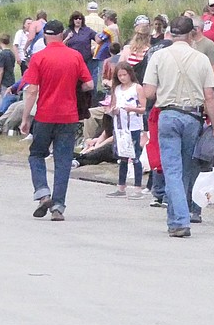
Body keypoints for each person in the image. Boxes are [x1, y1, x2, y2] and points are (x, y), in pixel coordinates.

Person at [142, 15, 214, 238]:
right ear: (192, 34)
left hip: (168, 113)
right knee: (186, 170)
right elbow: (210, 96)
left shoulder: (159, 56)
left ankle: (179, 219)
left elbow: (149, 92)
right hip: (193, 116)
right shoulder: (201, 59)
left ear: (170, 34)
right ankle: (176, 219)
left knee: (172, 170)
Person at [20, 20, 94, 222]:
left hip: (45, 115)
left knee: (36, 154)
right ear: (63, 35)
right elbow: (89, 84)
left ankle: (43, 194)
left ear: (45, 35)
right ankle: (58, 207)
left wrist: (25, 118)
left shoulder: (39, 57)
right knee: (63, 161)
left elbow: (32, 89)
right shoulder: (75, 56)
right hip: (68, 115)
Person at [105, 62, 147, 199]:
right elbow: (113, 104)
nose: (122, 78)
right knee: (123, 157)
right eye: (120, 75)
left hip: (133, 125)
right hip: (120, 126)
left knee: (135, 157)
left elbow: (143, 108)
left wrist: (132, 109)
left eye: (125, 75)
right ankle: (121, 186)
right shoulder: (117, 89)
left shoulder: (137, 88)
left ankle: (137, 188)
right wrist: (114, 110)